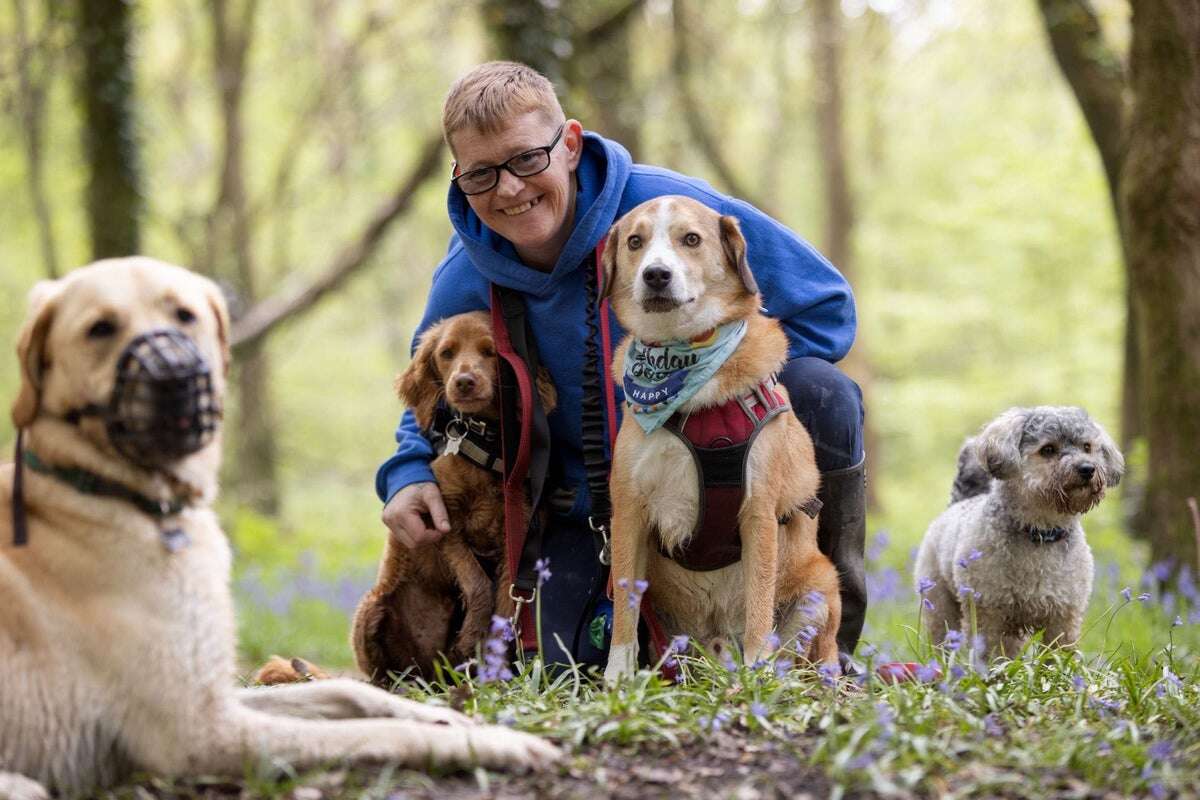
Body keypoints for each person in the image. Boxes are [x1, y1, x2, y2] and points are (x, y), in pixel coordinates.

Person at [376, 61, 866, 670]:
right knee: (561, 665)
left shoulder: (677, 217)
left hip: (724, 471)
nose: (508, 189)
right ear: (459, 176)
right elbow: (427, 386)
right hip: (583, 508)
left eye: (527, 159)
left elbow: (828, 308)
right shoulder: (468, 270)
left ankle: (828, 650)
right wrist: (406, 471)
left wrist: (703, 386)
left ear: (570, 144)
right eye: (481, 174)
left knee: (823, 392)